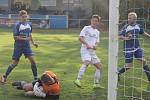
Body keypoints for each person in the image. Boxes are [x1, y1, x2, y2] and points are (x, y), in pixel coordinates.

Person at [0, 10, 38, 84]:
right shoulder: (17, 25)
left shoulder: (29, 24)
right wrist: (25, 39)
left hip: (27, 46)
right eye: (23, 17)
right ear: (20, 17)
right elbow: (15, 37)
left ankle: (36, 78)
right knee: (15, 63)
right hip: (18, 46)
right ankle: (4, 76)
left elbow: (29, 34)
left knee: (33, 61)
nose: (25, 18)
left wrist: (33, 43)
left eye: (26, 16)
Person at [118, 12, 150, 81]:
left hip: (137, 48)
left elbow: (142, 32)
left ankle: (149, 77)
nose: (128, 19)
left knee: (143, 61)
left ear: (135, 19)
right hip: (128, 49)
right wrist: (126, 38)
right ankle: (118, 72)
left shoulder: (138, 26)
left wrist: (149, 36)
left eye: (130, 18)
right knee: (129, 66)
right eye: (128, 18)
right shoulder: (126, 27)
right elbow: (120, 36)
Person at [74, 15, 104, 89]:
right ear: (91, 21)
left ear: (98, 23)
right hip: (85, 50)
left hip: (92, 52)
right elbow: (80, 38)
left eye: (96, 21)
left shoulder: (97, 32)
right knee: (87, 62)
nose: (94, 22)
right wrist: (87, 44)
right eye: (93, 20)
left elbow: (97, 42)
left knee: (99, 66)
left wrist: (96, 46)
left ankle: (96, 84)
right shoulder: (86, 28)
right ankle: (78, 80)